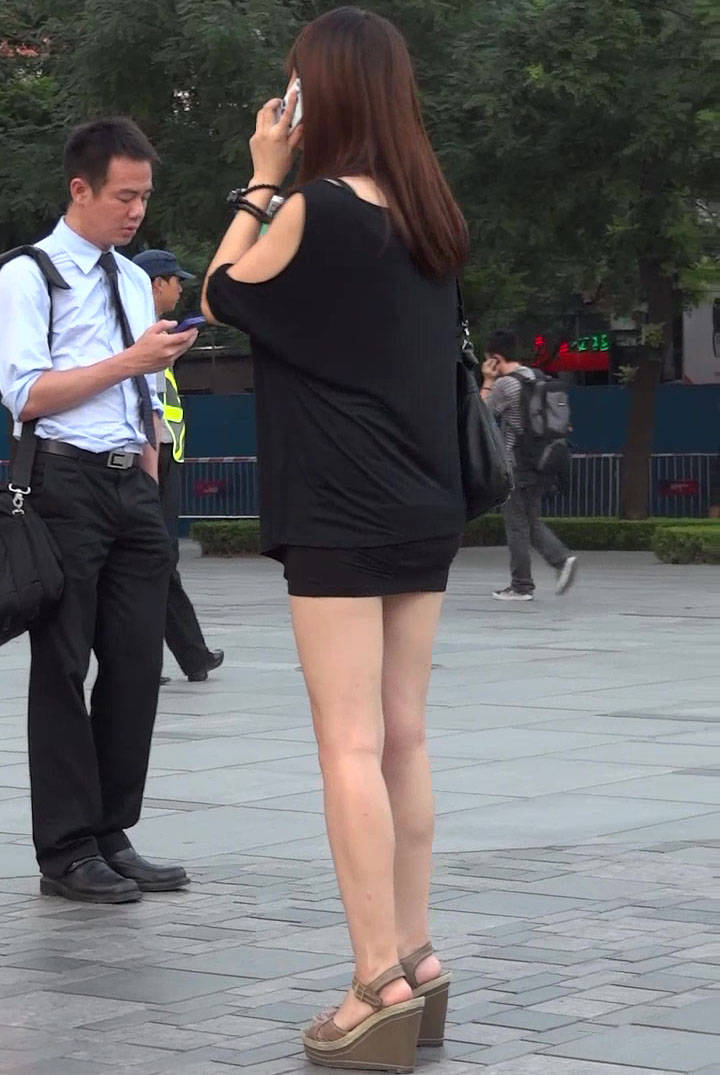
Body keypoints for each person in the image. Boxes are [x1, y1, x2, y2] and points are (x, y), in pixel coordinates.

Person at [201, 8, 467, 1070]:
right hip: (426, 500)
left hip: (339, 507)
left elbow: (223, 290)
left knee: (348, 743)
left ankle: (374, 982)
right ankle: (418, 955)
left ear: (321, 95)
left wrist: (261, 177)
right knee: (403, 735)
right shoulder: (431, 212)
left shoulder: (317, 209)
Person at [0, 117, 199, 903]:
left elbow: (143, 389)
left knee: (137, 661)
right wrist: (130, 360)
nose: (136, 210)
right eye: (124, 195)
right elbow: (26, 393)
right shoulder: (29, 276)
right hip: (62, 481)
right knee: (63, 664)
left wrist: (146, 464)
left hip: (129, 484)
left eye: (144, 196)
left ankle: (113, 830)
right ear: (79, 188)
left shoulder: (128, 276)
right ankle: (66, 848)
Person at [132, 248, 224, 684]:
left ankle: (188, 655)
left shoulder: (154, 333)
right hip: (148, 462)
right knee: (154, 559)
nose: (180, 289)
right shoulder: (137, 332)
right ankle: (179, 656)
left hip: (161, 460)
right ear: (156, 284)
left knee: (157, 559)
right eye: (175, 281)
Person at [481, 329, 577, 600]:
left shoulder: (505, 384)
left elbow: (481, 416)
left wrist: (487, 381)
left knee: (516, 525)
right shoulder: (536, 376)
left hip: (516, 464)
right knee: (530, 520)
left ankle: (523, 584)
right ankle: (559, 561)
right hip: (540, 460)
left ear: (495, 358)